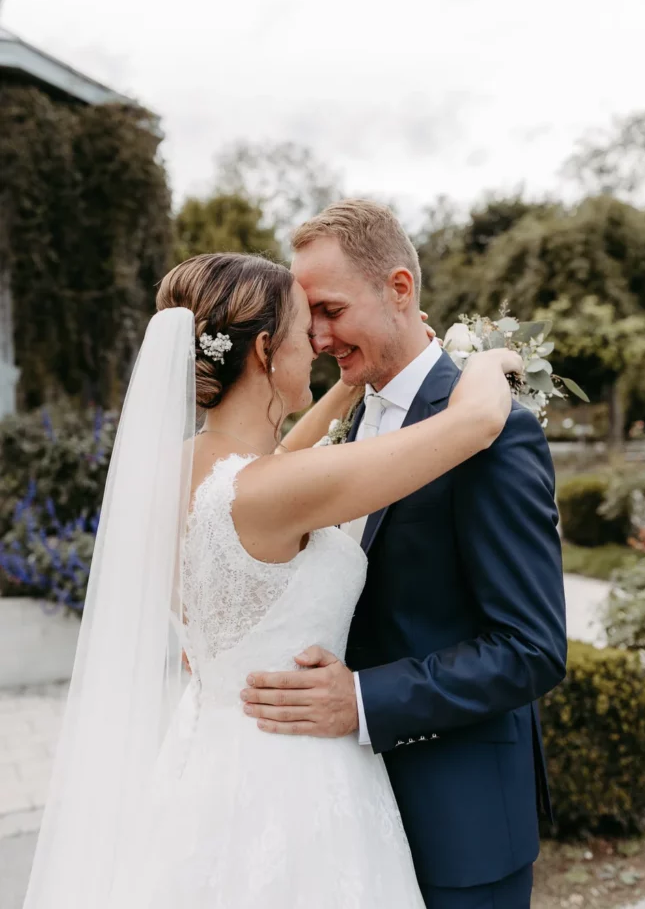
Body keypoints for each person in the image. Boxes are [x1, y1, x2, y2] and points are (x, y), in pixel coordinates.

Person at [22, 250, 522, 909]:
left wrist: (346, 387)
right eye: (301, 331)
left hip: (207, 760)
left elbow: (277, 459)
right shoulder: (272, 492)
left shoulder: (179, 471)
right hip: (295, 778)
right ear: (264, 350)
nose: (317, 344)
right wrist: (487, 362)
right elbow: (476, 424)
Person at [242, 200, 567, 909]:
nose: (317, 336)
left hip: (459, 822)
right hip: (342, 816)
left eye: (329, 310)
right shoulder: (355, 415)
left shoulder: (491, 431)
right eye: (308, 318)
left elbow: (531, 648)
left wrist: (359, 699)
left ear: (398, 289)